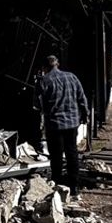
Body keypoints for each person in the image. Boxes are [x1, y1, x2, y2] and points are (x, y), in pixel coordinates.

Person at [36, 55, 89, 198]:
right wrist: (85, 115)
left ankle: (57, 184)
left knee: (56, 156)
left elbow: (38, 105)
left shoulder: (44, 81)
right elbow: (82, 98)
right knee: (72, 154)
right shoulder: (72, 77)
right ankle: (74, 186)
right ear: (57, 64)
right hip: (72, 123)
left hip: (54, 125)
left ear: (44, 67)